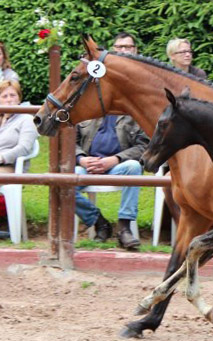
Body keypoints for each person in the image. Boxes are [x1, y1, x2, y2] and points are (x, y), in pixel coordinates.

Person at [74, 33, 150, 250]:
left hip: (119, 166)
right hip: (87, 166)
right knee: (65, 181)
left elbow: (144, 145)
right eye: (119, 47)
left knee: (134, 167)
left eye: (128, 47)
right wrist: (81, 159)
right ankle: (98, 222)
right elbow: (70, 139)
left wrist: (114, 160)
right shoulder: (89, 97)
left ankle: (124, 228)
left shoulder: (138, 99)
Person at [0, 80, 38, 173]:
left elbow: (24, 148)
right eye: (4, 96)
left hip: (9, 167)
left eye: (12, 95)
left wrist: (2, 157)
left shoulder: (26, 119)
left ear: (19, 99)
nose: (9, 100)